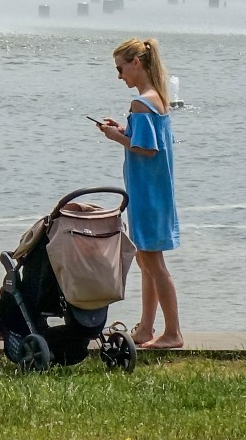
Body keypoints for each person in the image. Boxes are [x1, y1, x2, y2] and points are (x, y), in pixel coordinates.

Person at [97, 37, 181, 349]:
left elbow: (147, 148)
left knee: (153, 264)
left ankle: (173, 333)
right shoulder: (155, 99)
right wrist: (124, 130)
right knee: (147, 263)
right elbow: (147, 140)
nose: (120, 76)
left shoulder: (142, 102)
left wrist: (114, 137)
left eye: (121, 69)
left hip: (148, 195)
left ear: (136, 63)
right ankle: (146, 328)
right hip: (155, 193)